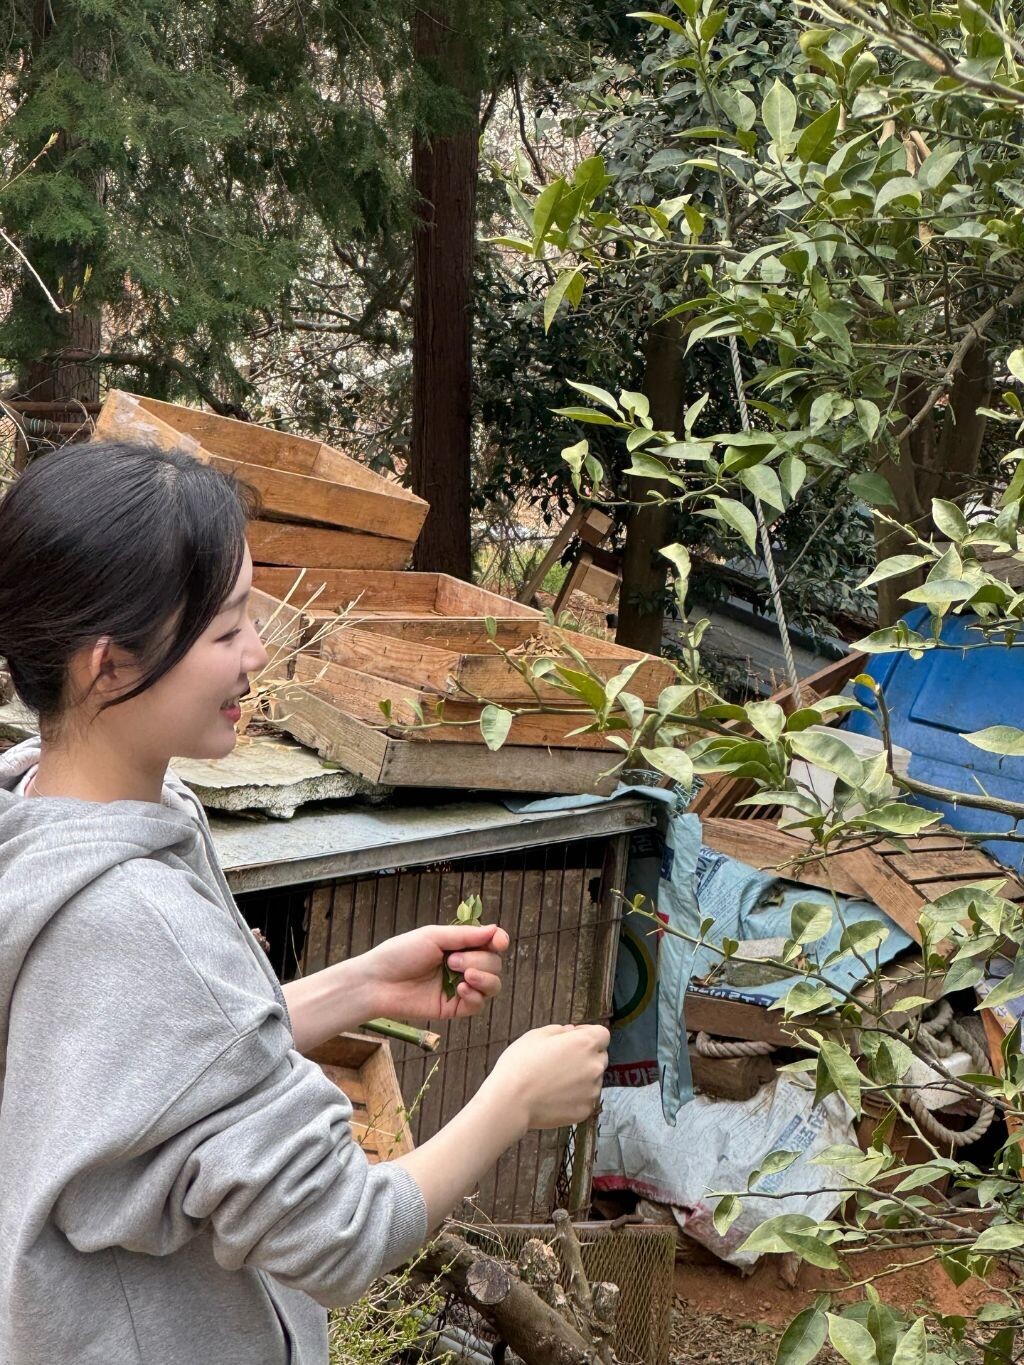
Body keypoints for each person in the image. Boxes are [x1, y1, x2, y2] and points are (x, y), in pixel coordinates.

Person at [0, 441, 610, 1365]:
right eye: (224, 632)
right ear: (108, 666)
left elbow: (149, 1061)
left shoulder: (37, 814)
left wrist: (360, 985)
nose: (257, 653)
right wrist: (515, 1096)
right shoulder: (135, 917)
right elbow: (342, 1234)